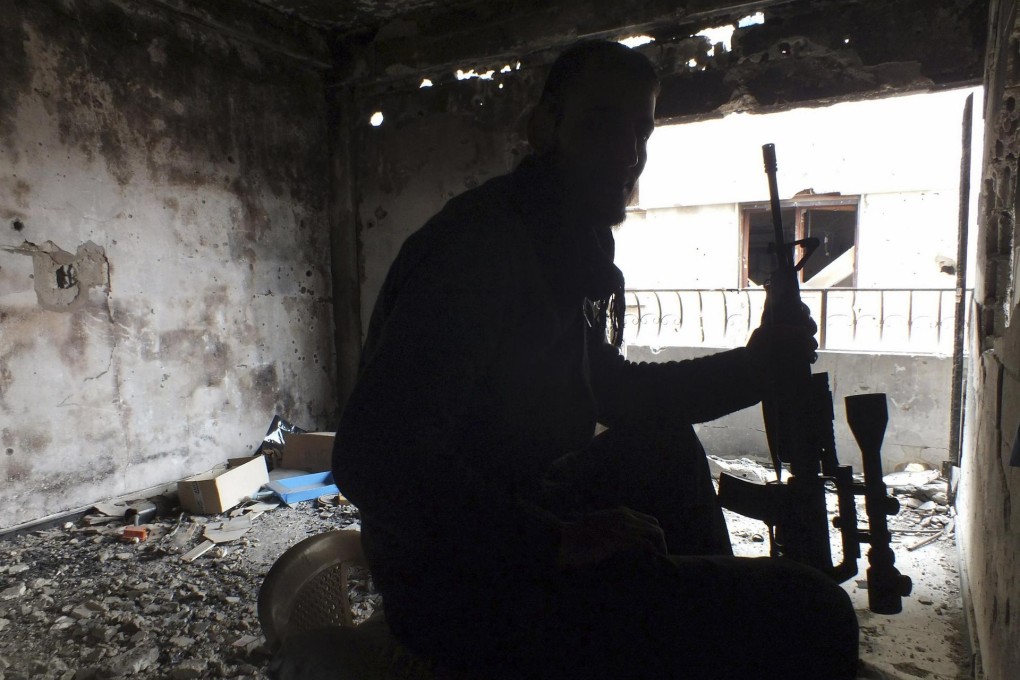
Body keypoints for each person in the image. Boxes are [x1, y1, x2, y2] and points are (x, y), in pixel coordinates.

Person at [331, 40, 859, 679]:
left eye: (642, 130)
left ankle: (693, 622)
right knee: (819, 614)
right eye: (605, 122)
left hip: (527, 507)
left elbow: (622, 395)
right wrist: (558, 541)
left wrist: (756, 366)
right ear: (544, 127)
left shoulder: (557, 246)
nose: (630, 153)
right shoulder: (481, 251)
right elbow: (372, 457)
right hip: (460, 589)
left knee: (662, 448)